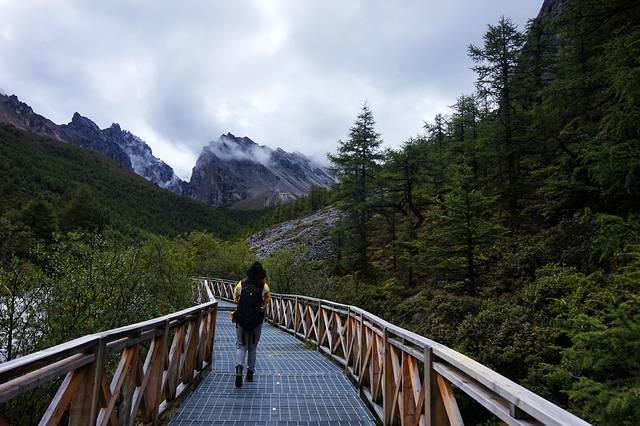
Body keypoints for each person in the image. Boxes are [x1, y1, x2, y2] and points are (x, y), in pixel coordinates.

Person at [232, 261, 271, 388]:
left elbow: (235, 298)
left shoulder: (241, 284)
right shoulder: (264, 286)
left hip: (241, 319)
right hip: (256, 321)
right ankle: (250, 373)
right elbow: (266, 301)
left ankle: (239, 369)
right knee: (253, 347)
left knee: (241, 346)